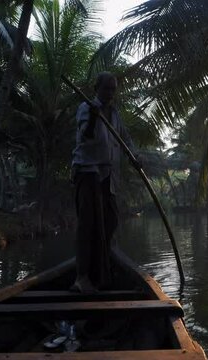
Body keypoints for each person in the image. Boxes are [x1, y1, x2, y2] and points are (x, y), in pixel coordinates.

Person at [71, 72, 137, 293]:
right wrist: (92, 117)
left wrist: (135, 158)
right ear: (96, 88)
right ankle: (81, 277)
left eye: (113, 89)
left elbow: (125, 139)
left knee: (110, 222)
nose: (110, 93)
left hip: (108, 176)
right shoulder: (86, 108)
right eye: (106, 88)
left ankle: (101, 270)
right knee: (87, 224)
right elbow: (86, 136)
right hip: (88, 172)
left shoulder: (115, 114)